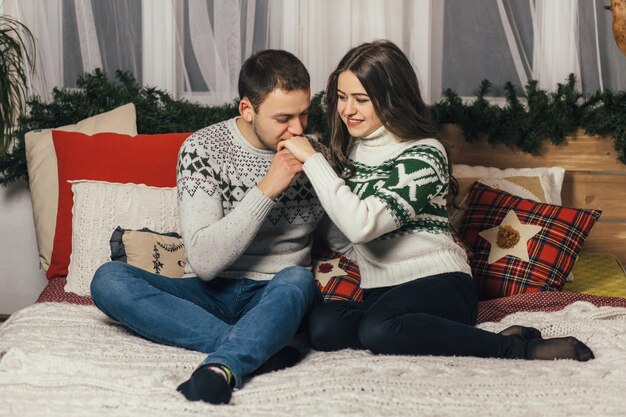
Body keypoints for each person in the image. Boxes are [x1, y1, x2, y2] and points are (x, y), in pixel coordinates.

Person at [278, 39, 594, 362]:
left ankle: (517, 348)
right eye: (341, 98)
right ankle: (470, 337)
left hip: (440, 285)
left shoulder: (426, 153)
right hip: (383, 293)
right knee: (323, 327)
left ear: (392, 99)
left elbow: (362, 225)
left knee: (378, 329)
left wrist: (313, 162)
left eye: (361, 99)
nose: (347, 110)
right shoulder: (351, 153)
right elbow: (345, 236)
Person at [90, 49, 328, 405]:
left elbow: (345, 235)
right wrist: (268, 187)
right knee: (108, 279)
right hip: (208, 292)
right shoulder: (202, 150)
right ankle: (255, 345)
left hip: (274, 295)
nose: (297, 129)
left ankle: (223, 366)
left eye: (303, 114)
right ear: (247, 109)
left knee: (299, 280)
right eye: (283, 118)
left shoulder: (316, 155)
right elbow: (203, 262)